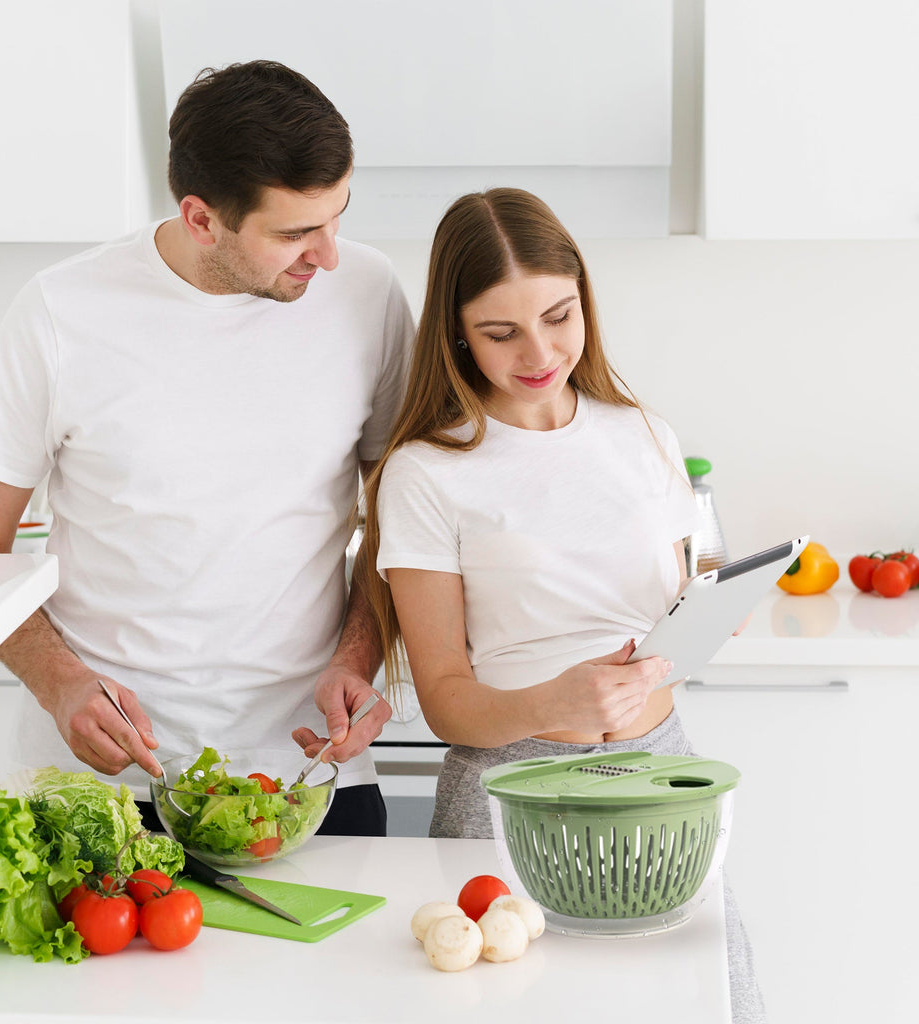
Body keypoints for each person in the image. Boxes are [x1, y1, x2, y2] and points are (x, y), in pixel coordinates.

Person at [0, 61, 415, 837]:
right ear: (201, 219)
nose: (327, 255)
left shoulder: (368, 291)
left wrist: (356, 659)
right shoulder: (62, 310)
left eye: (337, 219)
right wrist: (62, 686)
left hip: (306, 773)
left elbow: (400, 520)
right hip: (106, 784)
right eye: (295, 233)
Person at [360, 188, 766, 1020]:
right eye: (501, 333)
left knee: (709, 996)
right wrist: (558, 699)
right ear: (457, 335)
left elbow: (682, 599)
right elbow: (444, 698)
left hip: (660, 769)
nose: (539, 351)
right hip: (514, 790)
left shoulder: (642, 433)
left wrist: (715, 613)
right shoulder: (428, 473)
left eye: (559, 315)